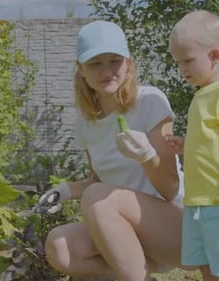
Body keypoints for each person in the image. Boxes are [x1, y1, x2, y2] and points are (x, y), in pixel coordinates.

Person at [37, 20, 188, 281]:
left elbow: (171, 188)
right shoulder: (87, 121)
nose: (106, 71)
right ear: (81, 70)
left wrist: (146, 156)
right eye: (95, 63)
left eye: (114, 61)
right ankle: (136, 272)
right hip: (126, 233)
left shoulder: (151, 101)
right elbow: (101, 182)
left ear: (128, 63)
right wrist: (64, 190)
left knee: (97, 198)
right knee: (60, 247)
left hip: (177, 228)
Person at [166, 10, 219, 281]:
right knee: (207, 268)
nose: (182, 69)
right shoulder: (202, 95)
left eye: (188, 60)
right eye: (178, 62)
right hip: (198, 202)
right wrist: (186, 146)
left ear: (214, 56)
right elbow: (213, 141)